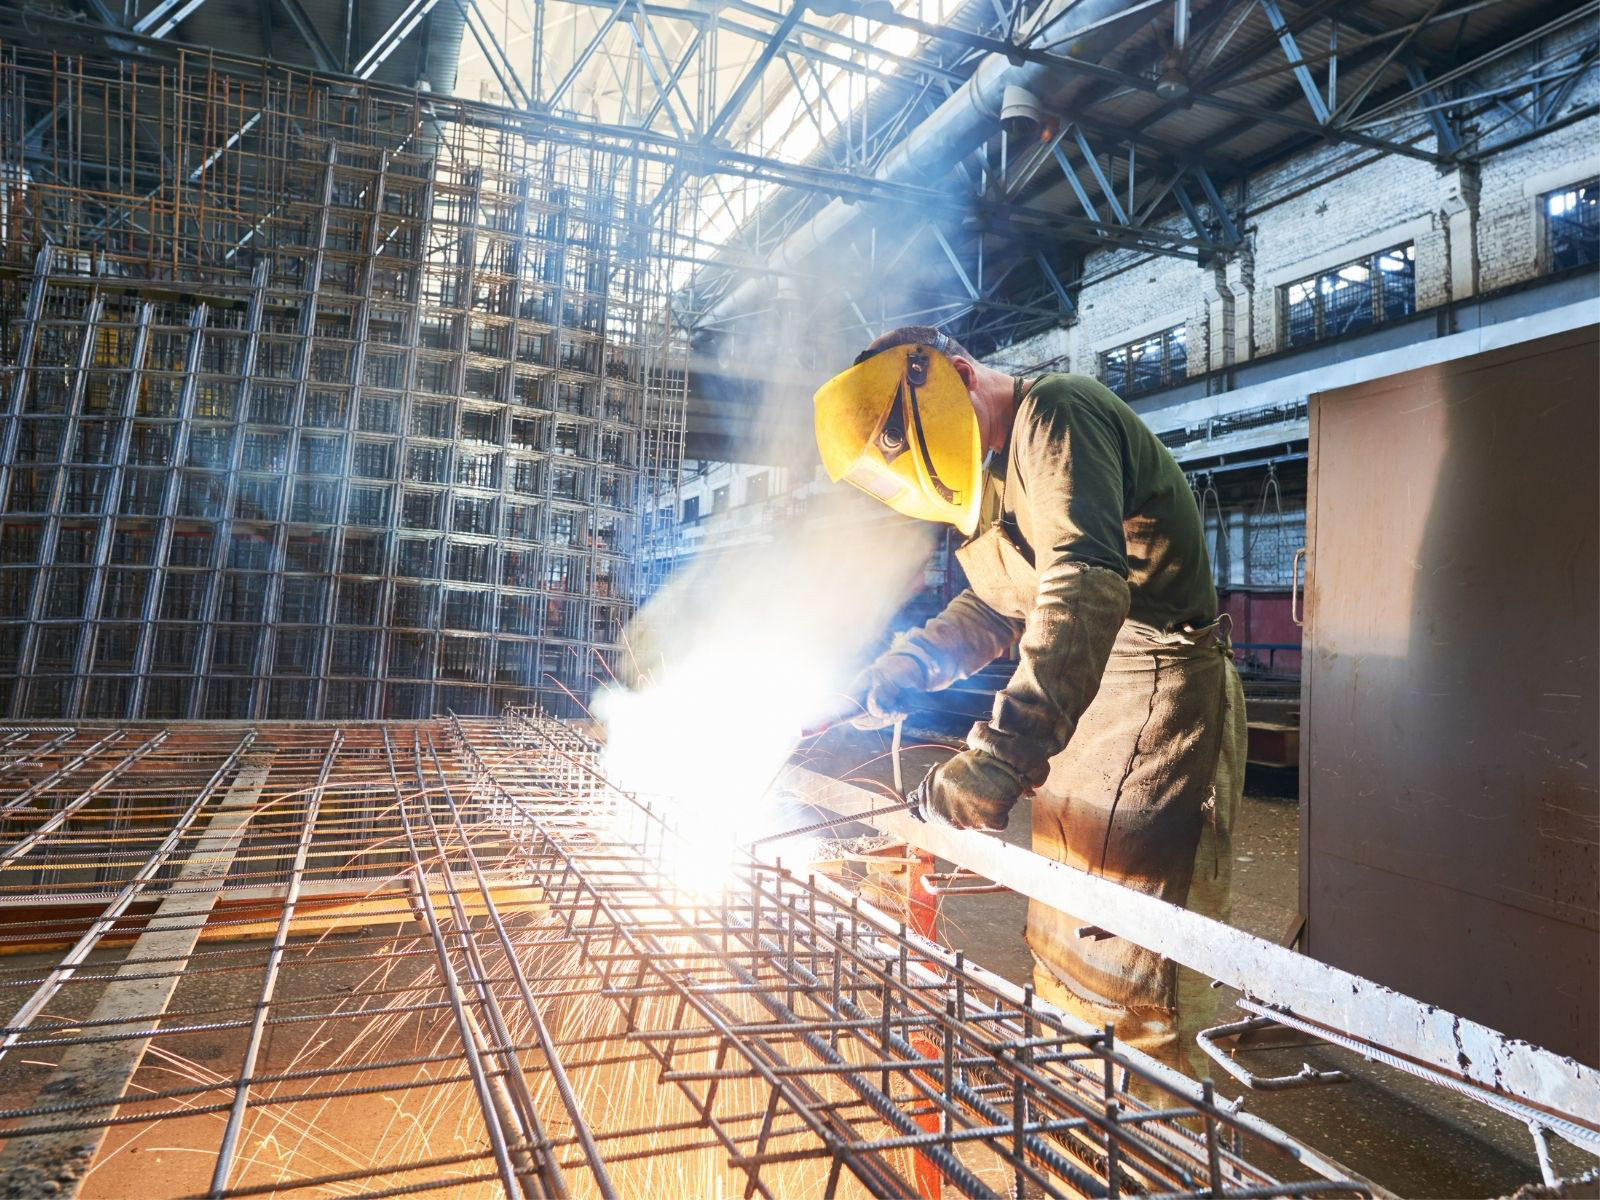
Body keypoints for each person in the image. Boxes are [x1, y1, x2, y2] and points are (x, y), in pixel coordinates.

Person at [812, 325, 1245, 1065]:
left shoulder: (1058, 416)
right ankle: (1087, 1117)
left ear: (956, 374)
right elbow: (998, 606)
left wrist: (1001, 754)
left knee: (1134, 965)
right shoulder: (988, 480)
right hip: (1086, 707)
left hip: (1155, 704)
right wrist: (907, 664)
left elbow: (1083, 586)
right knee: (1070, 933)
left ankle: (1158, 1144)